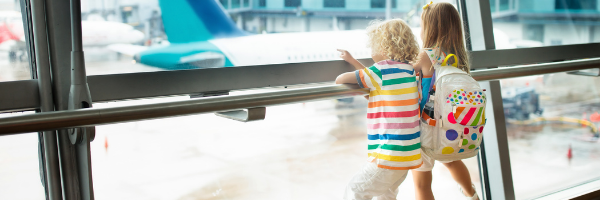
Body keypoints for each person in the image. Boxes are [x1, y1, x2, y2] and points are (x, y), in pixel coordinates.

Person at [335, 18, 421, 200]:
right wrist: (353, 61)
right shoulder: (408, 71)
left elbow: (341, 80)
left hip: (388, 155)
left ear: (383, 47)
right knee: (386, 196)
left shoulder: (381, 71)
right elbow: (375, 86)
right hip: (407, 155)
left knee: (356, 190)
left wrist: (350, 66)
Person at [411, 2, 478, 200]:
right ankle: (472, 195)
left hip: (425, 127)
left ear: (430, 29)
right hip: (449, 126)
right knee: (452, 161)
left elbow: (404, 73)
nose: (420, 31)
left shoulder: (426, 55)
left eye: (422, 26)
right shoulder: (457, 57)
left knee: (422, 185)